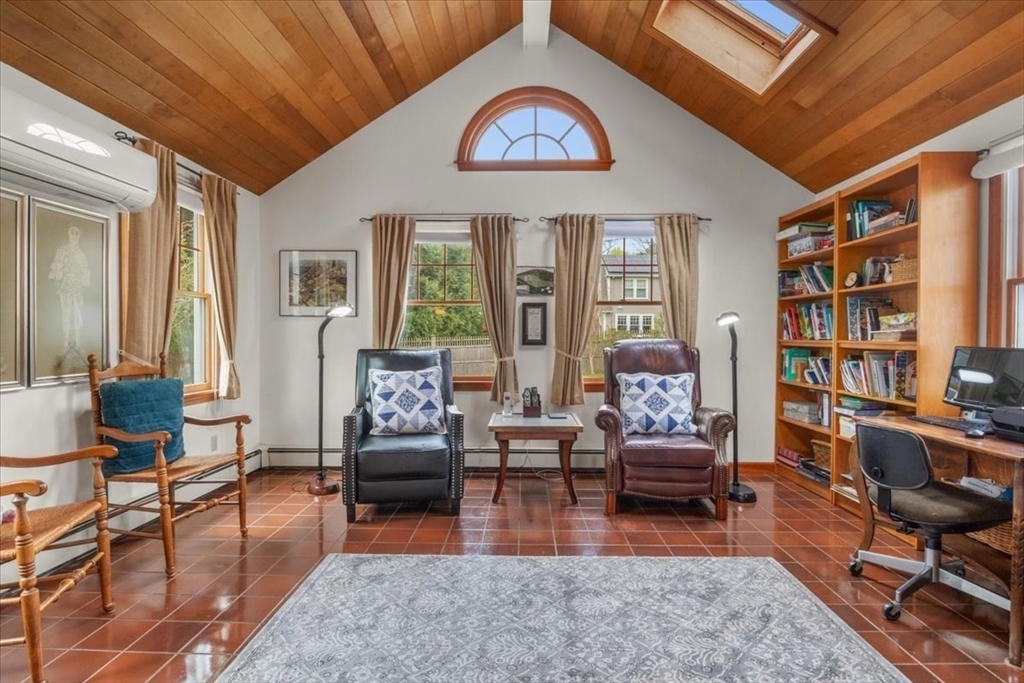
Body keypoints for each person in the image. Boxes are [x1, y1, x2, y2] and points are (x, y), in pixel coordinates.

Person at [48, 223, 90, 370]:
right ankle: (65, 345)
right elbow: (55, 270)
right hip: (65, 288)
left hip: (77, 290)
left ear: (79, 236)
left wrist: (80, 275)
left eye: (76, 233)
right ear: (68, 233)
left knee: (77, 316)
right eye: (72, 233)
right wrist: (61, 267)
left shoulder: (82, 255)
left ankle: (78, 345)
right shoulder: (62, 250)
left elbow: (86, 275)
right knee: (65, 315)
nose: (74, 236)